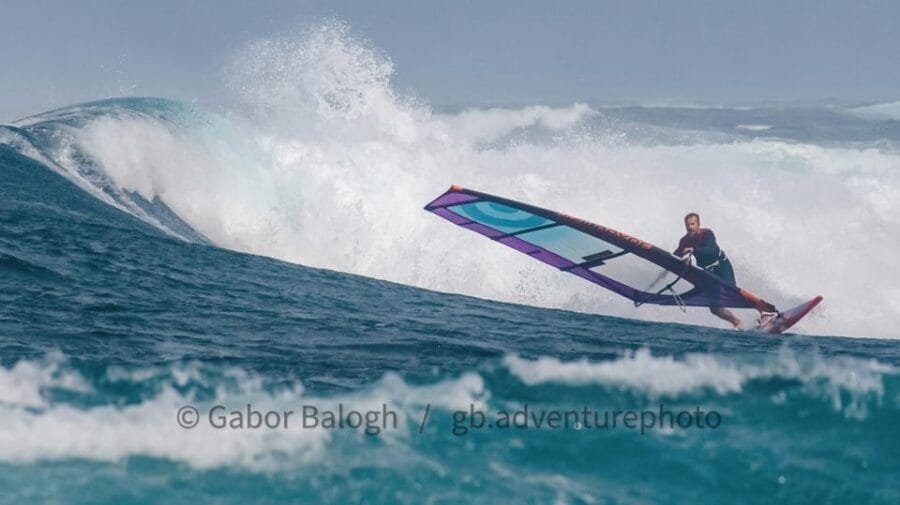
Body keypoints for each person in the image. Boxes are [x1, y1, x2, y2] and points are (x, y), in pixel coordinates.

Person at [674, 213, 772, 330]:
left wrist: (693, 250)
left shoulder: (707, 234)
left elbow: (712, 250)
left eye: (692, 224)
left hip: (721, 267)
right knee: (714, 308)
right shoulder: (684, 241)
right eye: (687, 225)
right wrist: (680, 259)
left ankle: (765, 311)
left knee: (733, 293)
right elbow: (676, 254)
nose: (690, 227)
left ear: (699, 225)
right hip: (708, 273)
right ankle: (737, 322)